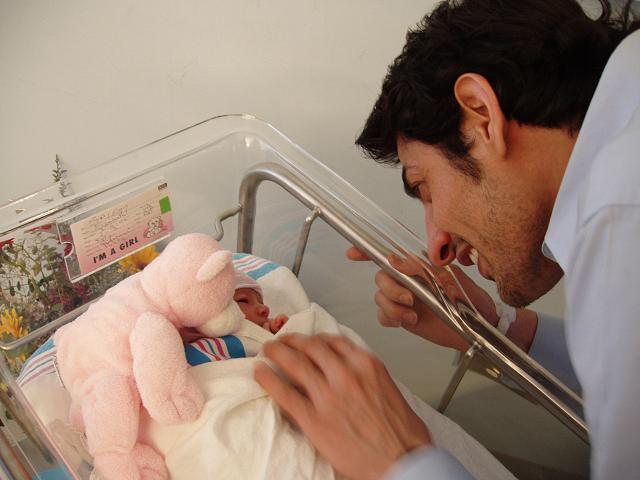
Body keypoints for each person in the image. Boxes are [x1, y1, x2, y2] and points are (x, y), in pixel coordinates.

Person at [253, 0, 640, 479]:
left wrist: (400, 461)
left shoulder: (621, 221)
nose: (436, 245)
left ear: (481, 116)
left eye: (425, 188)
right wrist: (499, 329)